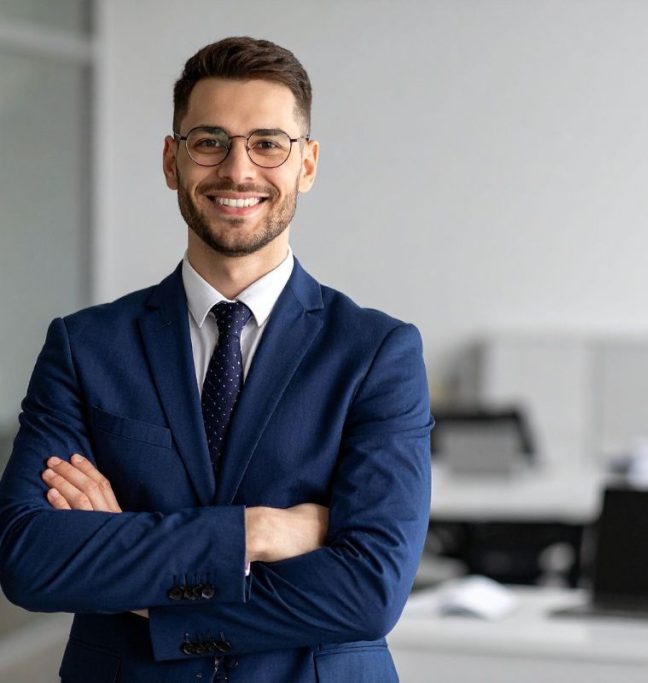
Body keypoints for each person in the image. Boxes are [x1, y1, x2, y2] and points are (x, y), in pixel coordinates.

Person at [0, 37, 432, 681]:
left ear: (306, 165)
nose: (238, 170)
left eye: (267, 143)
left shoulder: (377, 352)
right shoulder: (85, 346)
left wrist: (145, 585)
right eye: (210, 141)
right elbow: (31, 559)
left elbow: (369, 590)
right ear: (173, 160)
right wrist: (254, 532)